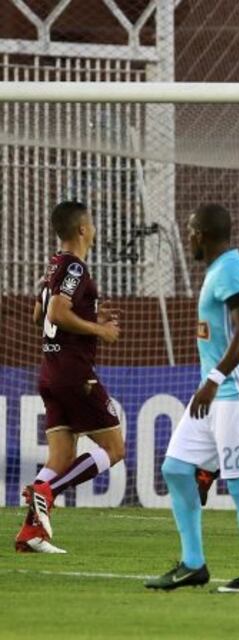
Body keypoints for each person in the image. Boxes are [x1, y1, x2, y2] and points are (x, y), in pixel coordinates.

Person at [145, 204, 239, 594]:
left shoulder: (232, 269)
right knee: (176, 468)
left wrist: (215, 378)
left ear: (200, 233)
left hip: (238, 393)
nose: (187, 238)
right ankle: (193, 564)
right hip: (214, 396)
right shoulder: (219, 271)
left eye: (190, 231)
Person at [17, 201, 124, 554]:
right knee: (114, 448)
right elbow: (55, 312)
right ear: (82, 229)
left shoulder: (53, 268)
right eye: (91, 223)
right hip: (74, 373)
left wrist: (90, 312)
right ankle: (46, 492)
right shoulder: (75, 266)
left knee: (60, 458)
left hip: (49, 371)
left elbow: (38, 316)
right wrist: (98, 329)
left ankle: (30, 534)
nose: (93, 229)